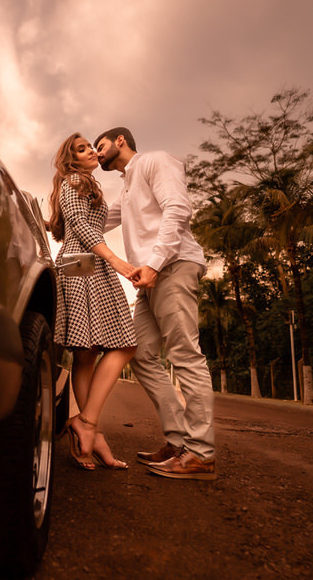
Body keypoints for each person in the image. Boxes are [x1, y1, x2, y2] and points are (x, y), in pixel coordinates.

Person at [94, 126, 217, 480]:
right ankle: (178, 441)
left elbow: (178, 208)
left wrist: (154, 263)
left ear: (120, 141)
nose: (98, 153)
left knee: (184, 354)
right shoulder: (128, 186)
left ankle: (201, 454)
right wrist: (54, 218)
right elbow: (97, 223)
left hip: (171, 266)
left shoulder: (155, 162)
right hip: (149, 279)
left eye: (100, 146)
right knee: (140, 352)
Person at [48, 133, 137, 471]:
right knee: (125, 345)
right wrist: (116, 261)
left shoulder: (84, 184)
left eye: (91, 147)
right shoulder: (74, 180)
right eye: (83, 148)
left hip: (80, 261)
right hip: (83, 262)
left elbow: (80, 224)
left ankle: (89, 432)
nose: (91, 153)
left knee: (86, 353)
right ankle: (88, 425)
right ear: (71, 159)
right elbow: (81, 226)